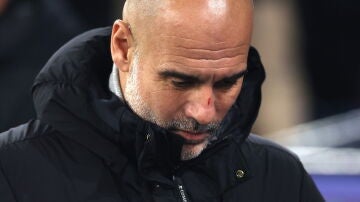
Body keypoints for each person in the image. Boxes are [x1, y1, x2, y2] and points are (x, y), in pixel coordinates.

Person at [0, 0, 324, 201]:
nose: (204, 112)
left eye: (228, 82)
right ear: (123, 47)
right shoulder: (12, 173)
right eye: (181, 81)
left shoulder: (280, 176)